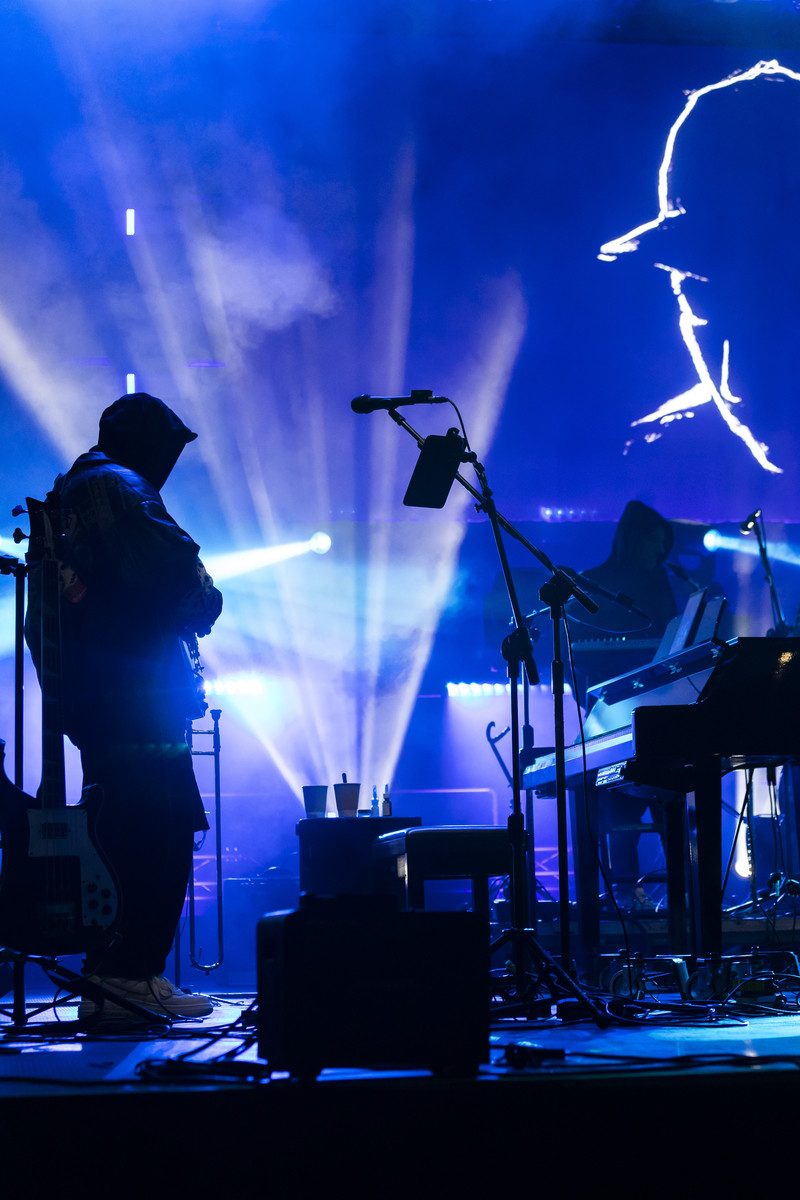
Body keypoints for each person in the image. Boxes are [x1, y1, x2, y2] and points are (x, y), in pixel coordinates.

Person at [25, 392, 222, 1021]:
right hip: (137, 697)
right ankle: (127, 977)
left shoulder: (71, 489)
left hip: (102, 697)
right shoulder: (119, 485)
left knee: (126, 829)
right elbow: (175, 568)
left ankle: (117, 976)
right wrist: (207, 600)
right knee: (158, 830)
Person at [579, 501, 678, 909]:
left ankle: (683, 896)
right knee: (618, 808)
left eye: (663, 543)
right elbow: (577, 657)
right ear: (632, 539)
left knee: (670, 801)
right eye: (652, 540)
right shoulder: (593, 583)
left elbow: (673, 647)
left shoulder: (660, 583)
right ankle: (625, 893)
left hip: (660, 715)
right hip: (612, 720)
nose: (659, 550)